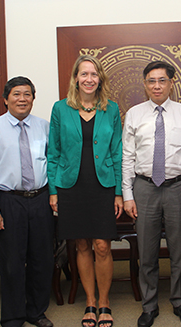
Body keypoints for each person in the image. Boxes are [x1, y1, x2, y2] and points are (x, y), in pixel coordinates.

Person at [122, 61, 181, 327]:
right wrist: (127, 194)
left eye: (162, 80)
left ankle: (180, 302)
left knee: (180, 250)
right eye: (151, 81)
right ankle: (149, 305)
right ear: (145, 85)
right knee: (147, 251)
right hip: (144, 188)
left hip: (179, 187)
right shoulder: (134, 114)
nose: (157, 86)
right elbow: (127, 156)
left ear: (171, 83)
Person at [47, 55, 122, 327]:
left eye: (94, 74)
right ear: (75, 78)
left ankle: (105, 302)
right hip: (71, 186)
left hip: (103, 185)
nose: (89, 79)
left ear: (100, 78)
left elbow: (117, 151)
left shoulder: (111, 109)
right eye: (84, 74)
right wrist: (54, 190)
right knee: (81, 244)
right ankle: (90, 301)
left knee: (102, 245)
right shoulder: (60, 108)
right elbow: (53, 152)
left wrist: (119, 192)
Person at [0, 76, 54, 327]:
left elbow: (51, 163)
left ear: (33, 99)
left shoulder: (44, 127)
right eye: (16, 94)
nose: (22, 99)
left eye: (27, 94)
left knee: (42, 259)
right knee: (12, 261)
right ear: (5, 99)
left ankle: (36, 312)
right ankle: (13, 316)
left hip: (40, 199)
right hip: (10, 201)